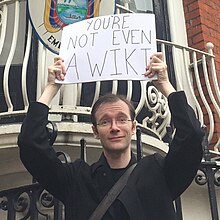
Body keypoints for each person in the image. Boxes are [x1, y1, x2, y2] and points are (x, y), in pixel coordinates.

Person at [17, 52, 204, 220]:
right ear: (95, 132)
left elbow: (192, 136)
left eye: (122, 120)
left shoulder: (159, 173)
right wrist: (51, 87)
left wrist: (164, 84)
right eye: (105, 122)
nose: (114, 127)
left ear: (133, 127)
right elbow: (30, 145)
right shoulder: (77, 179)